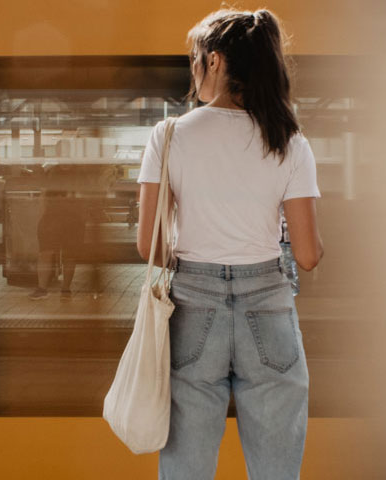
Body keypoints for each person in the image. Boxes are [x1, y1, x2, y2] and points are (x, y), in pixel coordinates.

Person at [135, 8, 323, 479]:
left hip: (193, 311)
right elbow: (308, 255)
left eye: (196, 60)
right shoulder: (289, 140)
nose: (193, 71)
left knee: (186, 469)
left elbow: (149, 247)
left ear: (215, 61)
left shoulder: (170, 135)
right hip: (269, 307)